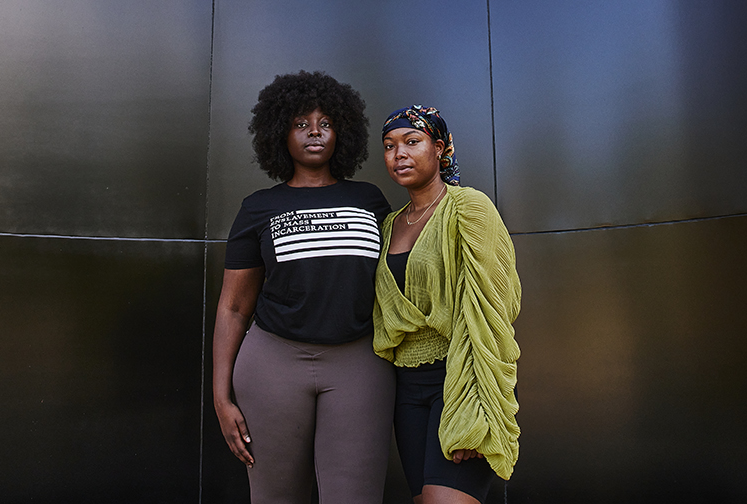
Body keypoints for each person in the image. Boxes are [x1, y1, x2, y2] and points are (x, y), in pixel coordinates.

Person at [212, 71, 395, 504]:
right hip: (272, 364)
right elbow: (234, 307)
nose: (314, 131)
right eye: (300, 123)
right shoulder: (259, 208)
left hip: (360, 364)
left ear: (342, 133)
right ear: (279, 133)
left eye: (326, 122)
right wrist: (221, 397)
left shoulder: (370, 200)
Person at [373, 105, 521, 504]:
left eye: (412, 141)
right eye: (389, 146)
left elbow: (492, 308)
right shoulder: (389, 225)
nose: (399, 153)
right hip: (406, 390)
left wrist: (473, 406)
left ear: (439, 148)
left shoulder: (469, 208)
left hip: (458, 380)